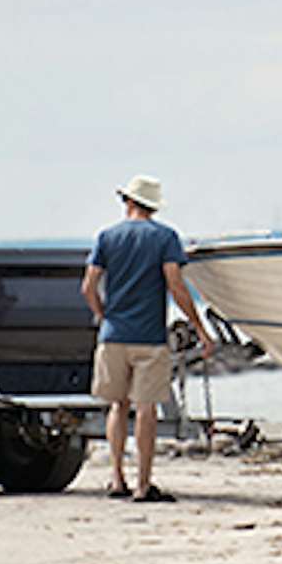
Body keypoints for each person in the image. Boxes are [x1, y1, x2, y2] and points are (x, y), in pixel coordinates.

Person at [82, 174, 212, 504]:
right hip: (149, 337)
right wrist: (199, 327)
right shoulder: (165, 237)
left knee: (116, 405)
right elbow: (176, 287)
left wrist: (103, 314)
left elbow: (88, 287)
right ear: (152, 207)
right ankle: (142, 484)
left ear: (127, 201)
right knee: (146, 409)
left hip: (113, 335)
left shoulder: (107, 237)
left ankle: (116, 478)